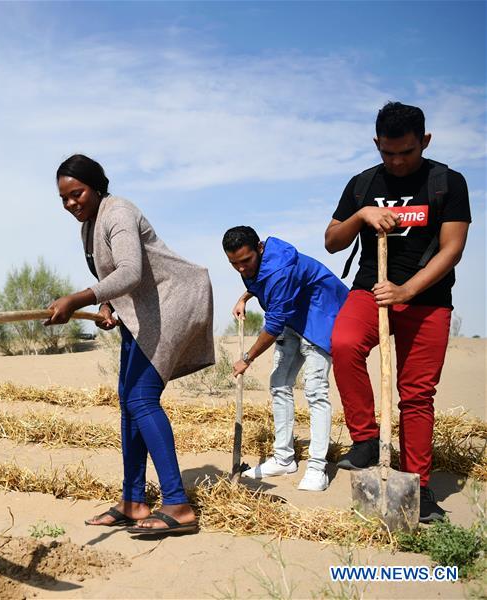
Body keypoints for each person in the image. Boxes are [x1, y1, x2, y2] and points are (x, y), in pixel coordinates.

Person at [45, 154, 215, 536]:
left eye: (78, 193)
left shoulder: (118, 212)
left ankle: (178, 504)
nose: (72, 203)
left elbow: (131, 271)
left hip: (172, 303)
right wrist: (106, 305)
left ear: (97, 186)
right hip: (141, 313)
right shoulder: (88, 226)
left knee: (141, 399)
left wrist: (78, 299)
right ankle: (134, 501)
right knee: (129, 402)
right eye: (64, 199)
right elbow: (114, 278)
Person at [325, 102, 471, 522]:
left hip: (427, 300)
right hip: (371, 290)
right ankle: (367, 440)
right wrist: (361, 214)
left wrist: (406, 289)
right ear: (377, 144)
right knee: (344, 342)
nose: (396, 161)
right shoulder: (362, 183)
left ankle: (418, 487)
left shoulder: (447, 182)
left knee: (417, 394)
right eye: (387, 152)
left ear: (424, 141)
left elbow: (452, 249)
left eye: (406, 151)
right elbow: (332, 240)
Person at [222, 226, 348, 491]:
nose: (242, 269)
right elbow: (259, 281)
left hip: (320, 317)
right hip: (293, 317)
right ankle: (283, 458)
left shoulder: (281, 270)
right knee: (279, 384)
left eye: (246, 261)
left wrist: (247, 357)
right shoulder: (255, 265)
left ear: (259, 247)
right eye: (234, 264)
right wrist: (245, 296)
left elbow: (274, 323)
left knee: (315, 391)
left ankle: (317, 466)